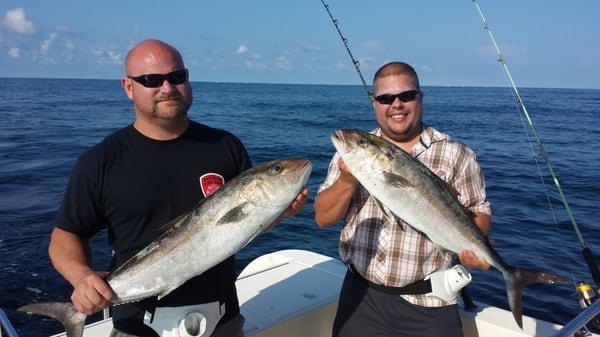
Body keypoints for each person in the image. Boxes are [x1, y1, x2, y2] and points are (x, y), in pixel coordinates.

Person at [48, 39, 308, 337]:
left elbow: (245, 225)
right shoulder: (100, 162)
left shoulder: (225, 146)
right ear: (128, 86)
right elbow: (65, 236)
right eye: (151, 80)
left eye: (176, 76)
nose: (168, 87)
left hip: (223, 322)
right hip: (138, 326)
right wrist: (81, 277)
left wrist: (280, 211)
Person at [314, 61, 491, 337]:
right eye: (386, 98)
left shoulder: (458, 155)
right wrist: (348, 178)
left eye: (406, 96)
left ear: (420, 98)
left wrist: (474, 248)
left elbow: (478, 212)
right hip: (360, 297)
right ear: (375, 103)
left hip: (430, 303)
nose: (396, 104)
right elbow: (323, 218)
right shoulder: (351, 154)